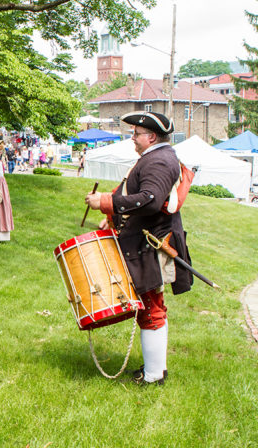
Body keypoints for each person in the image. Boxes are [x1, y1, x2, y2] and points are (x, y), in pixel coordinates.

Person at [85, 111, 192, 386]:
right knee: (152, 305)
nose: (133, 138)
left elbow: (151, 200)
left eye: (136, 134)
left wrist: (107, 202)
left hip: (151, 243)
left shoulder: (158, 160)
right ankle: (157, 369)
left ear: (152, 136)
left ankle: (155, 375)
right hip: (148, 241)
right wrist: (113, 214)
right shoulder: (159, 156)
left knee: (150, 307)